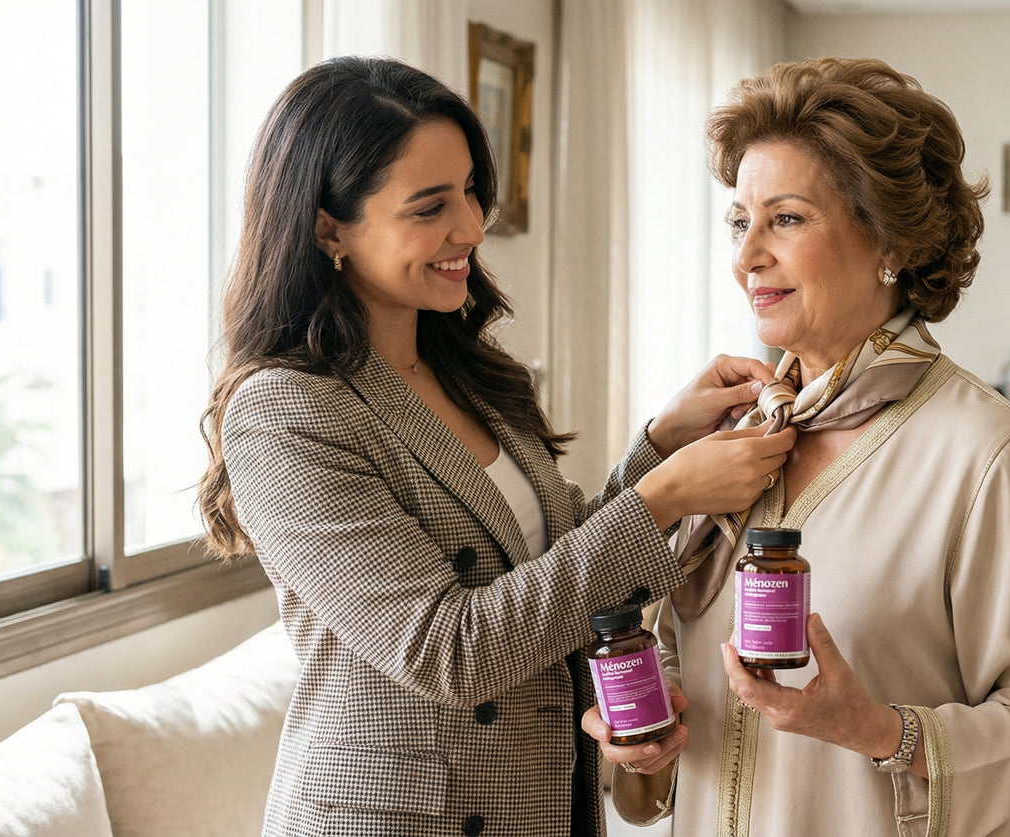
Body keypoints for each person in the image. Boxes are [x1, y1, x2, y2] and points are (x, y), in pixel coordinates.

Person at [195, 56, 795, 837]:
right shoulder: (285, 411)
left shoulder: (467, 373)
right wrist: (666, 497)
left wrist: (659, 445)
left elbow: (546, 562)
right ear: (327, 227)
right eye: (430, 207)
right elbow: (449, 649)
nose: (473, 229)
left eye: (472, 191)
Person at [590, 57, 1010, 837]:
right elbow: (677, 652)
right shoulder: (729, 437)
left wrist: (880, 730)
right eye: (739, 221)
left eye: (786, 219)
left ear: (888, 241)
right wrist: (650, 726)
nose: (746, 256)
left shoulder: (984, 456)